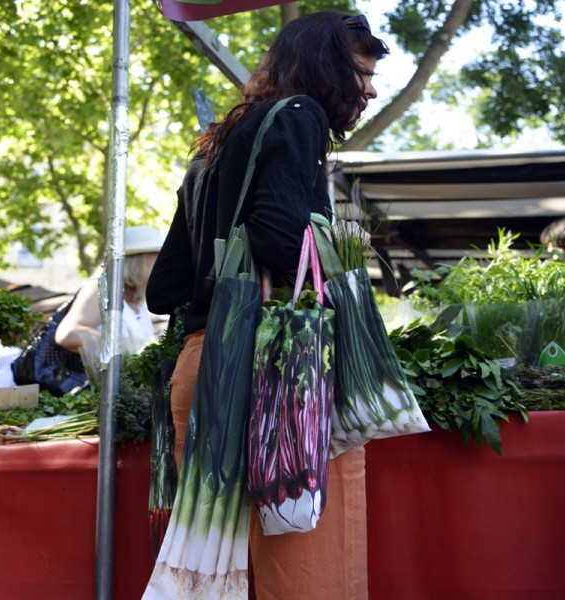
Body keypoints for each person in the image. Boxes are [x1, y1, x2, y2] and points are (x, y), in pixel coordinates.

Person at [145, 11, 388, 600]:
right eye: (362, 73)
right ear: (325, 67)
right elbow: (282, 239)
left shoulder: (215, 141)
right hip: (278, 374)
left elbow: (163, 288)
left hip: (204, 371)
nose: (372, 90)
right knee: (305, 574)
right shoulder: (299, 116)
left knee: (219, 579)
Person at [55, 225, 164, 358]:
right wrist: (125, 345)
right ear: (137, 261)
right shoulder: (101, 290)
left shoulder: (136, 302)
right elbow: (67, 334)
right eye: (156, 257)